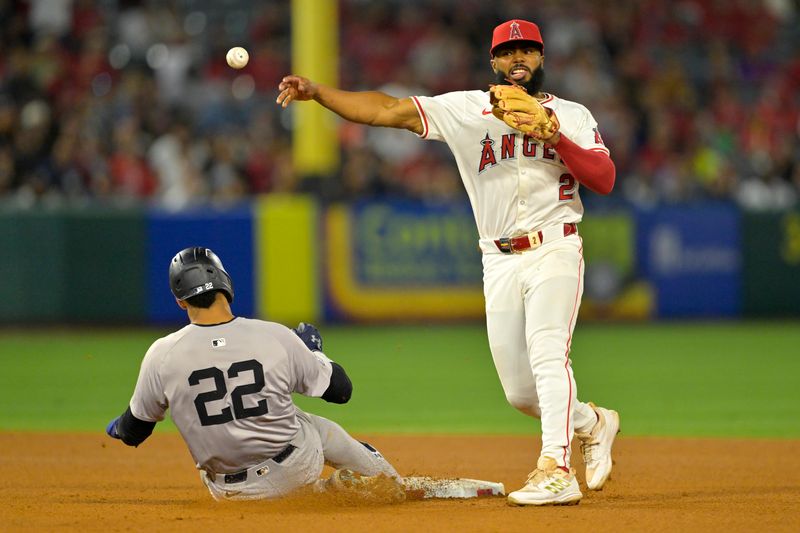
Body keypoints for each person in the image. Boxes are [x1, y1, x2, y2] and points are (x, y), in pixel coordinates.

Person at [277, 19, 620, 506]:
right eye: (508, 52)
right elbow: (388, 110)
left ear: (542, 59)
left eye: (528, 51)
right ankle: (594, 422)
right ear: (493, 62)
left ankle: (556, 469)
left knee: (548, 355)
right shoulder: (467, 109)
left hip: (555, 247)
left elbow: (604, 178)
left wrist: (555, 136)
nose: (518, 59)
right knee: (522, 393)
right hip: (498, 259)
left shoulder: (572, 115)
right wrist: (318, 92)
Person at [105, 246, 404, 502]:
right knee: (317, 427)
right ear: (226, 284)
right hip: (293, 467)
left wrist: (118, 427)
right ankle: (388, 484)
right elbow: (340, 391)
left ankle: (320, 492)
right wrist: (314, 351)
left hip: (226, 491)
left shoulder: (161, 353)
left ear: (180, 301)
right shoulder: (272, 335)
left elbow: (134, 432)